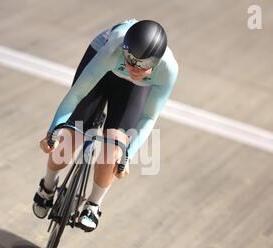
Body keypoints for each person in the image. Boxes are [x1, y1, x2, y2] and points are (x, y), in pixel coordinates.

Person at [33, 19, 178, 232]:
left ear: (155, 63)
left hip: (132, 89)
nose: (134, 67)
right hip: (102, 64)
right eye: (129, 59)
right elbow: (77, 94)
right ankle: (47, 185)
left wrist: (128, 154)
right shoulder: (115, 47)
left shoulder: (168, 69)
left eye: (144, 65)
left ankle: (93, 204)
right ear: (125, 50)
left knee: (115, 149)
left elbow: (148, 116)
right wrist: (55, 127)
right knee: (69, 141)